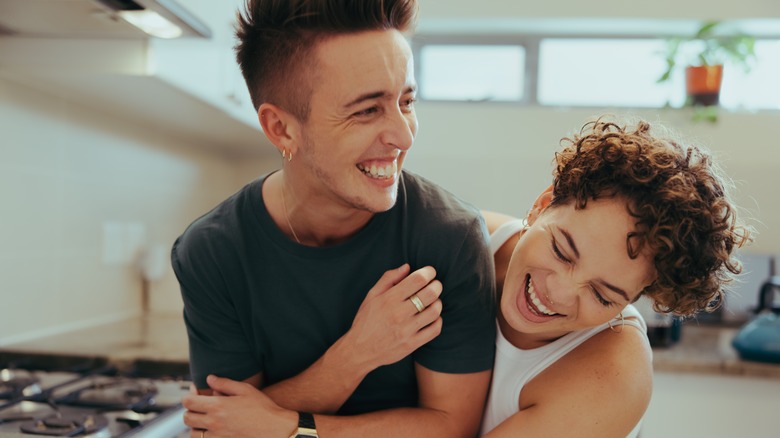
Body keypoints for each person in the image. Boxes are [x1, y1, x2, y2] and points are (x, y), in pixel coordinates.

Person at [171, 0, 496, 437]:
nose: (403, 135)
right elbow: (221, 429)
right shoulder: (213, 251)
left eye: (406, 100)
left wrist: (290, 427)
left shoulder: (448, 238)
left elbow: (450, 427)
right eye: (367, 110)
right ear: (282, 129)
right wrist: (356, 355)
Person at [479, 117, 752, 437]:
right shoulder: (466, 241)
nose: (561, 292)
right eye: (562, 251)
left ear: (637, 295)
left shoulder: (614, 376)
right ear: (542, 206)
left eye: (602, 295)